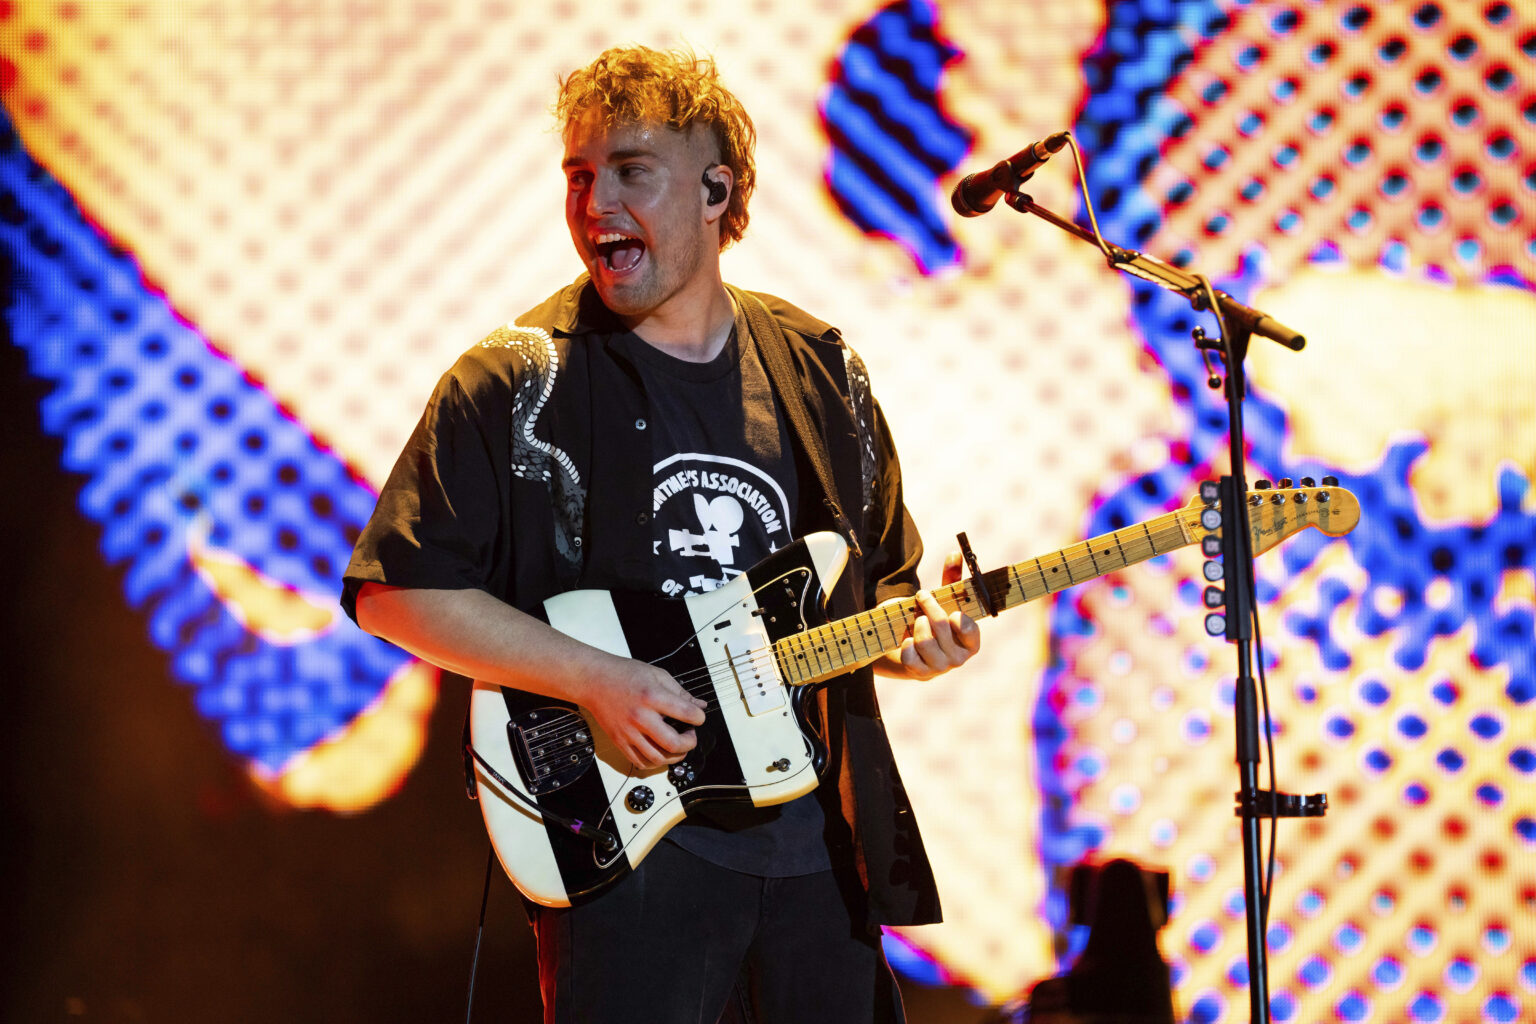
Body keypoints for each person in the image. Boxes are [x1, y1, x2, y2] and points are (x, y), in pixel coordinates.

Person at [342, 44, 980, 1024]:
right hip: (632, 850)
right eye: (579, 175)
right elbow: (396, 590)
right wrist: (594, 677)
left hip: (813, 855)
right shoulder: (516, 380)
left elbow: (886, 591)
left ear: (719, 189)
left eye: (631, 170)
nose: (596, 204)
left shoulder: (820, 371)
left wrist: (922, 638)